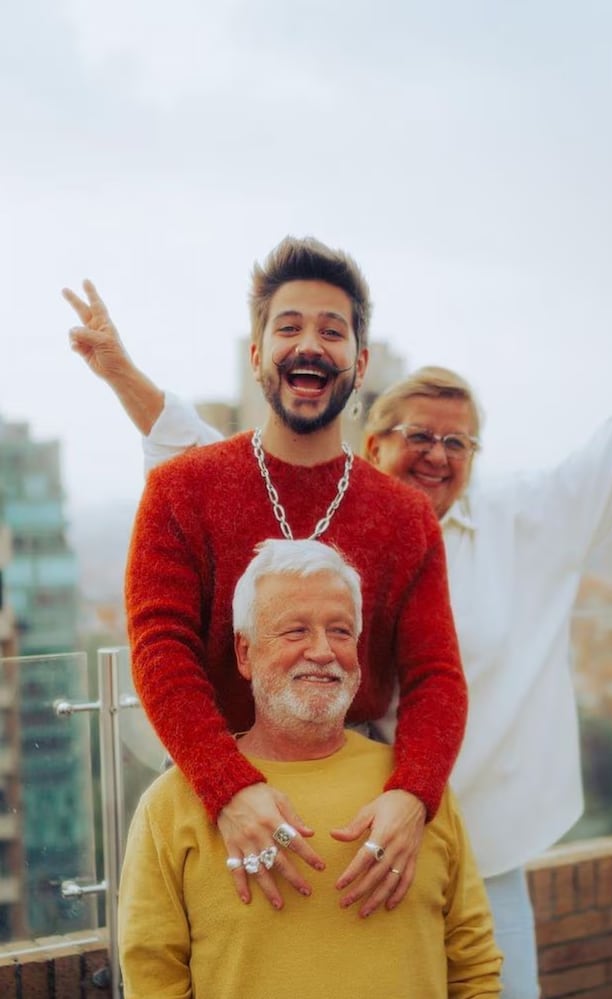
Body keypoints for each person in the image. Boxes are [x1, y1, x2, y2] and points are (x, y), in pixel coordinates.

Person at [68, 279, 612, 999]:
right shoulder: (316, 519)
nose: (438, 454)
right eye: (418, 436)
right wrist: (119, 369)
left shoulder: (517, 524)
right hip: (305, 811)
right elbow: (189, 448)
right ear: (372, 440)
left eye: (457, 441)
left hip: (467, 835)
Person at [63, 236, 468, 922]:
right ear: (257, 355)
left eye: (331, 331)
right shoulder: (181, 490)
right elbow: (161, 648)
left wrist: (412, 795)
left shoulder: (405, 517)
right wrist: (228, 787)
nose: (309, 344)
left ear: (359, 363)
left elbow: (436, 675)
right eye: (288, 327)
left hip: (361, 804)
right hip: (208, 790)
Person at [118, 539, 502, 999]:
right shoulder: (172, 806)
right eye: (295, 631)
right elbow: (152, 976)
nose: (322, 651)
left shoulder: (415, 795)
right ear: (244, 653)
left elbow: (473, 964)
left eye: (340, 631)